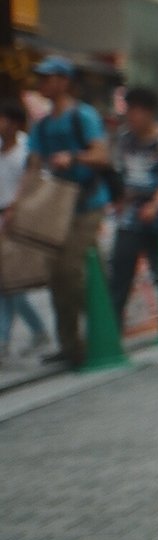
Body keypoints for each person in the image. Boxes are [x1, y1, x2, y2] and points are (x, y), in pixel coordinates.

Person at [25, 57, 112, 367]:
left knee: (73, 271)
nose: (41, 84)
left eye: (47, 78)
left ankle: (97, 336)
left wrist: (73, 158)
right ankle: (70, 343)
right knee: (58, 275)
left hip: (87, 204)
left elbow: (101, 155)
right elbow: (33, 166)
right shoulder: (42, 125)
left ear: (63, 81)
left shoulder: (83, 116)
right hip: (55, 209)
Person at [109, 87, 158, 328]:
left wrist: (155, 205)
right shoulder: (123, 139)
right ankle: (113, 324)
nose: (131, 117)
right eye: (128, 111)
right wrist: (120, 201)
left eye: (136, 111)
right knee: (121, 265)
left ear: (149, 113)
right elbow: (119, 172)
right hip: (131, 213)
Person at [0, 97, 50, 363]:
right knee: (5, 285)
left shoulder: (24, 152)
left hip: (15, 223)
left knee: (11, 284)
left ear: (15, 123)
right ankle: (26, 333)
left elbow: (32, 188)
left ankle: (8, 339)